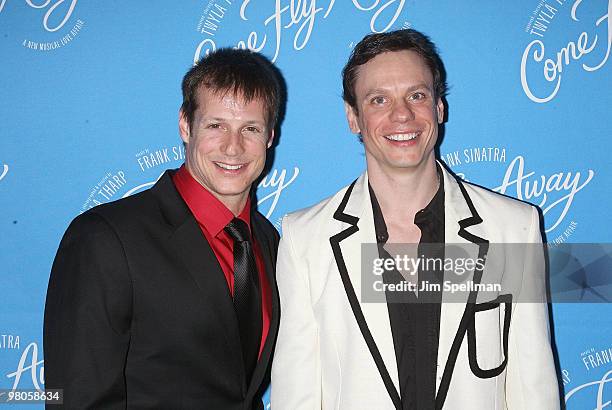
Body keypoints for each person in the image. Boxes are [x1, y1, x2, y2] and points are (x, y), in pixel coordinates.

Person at [270, 29, 560, 409]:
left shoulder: (513, 227)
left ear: (439, 108)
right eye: (378, 100)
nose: (401, 114)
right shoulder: (304, 238)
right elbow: (297, 396)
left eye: (416, 95)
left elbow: (533, 389)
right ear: (353, 117)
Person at [44, 48, 282, 409]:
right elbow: (76, 400)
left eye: (250, 128)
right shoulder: (105, 238)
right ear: (185, 125)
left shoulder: (266, 240)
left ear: (269, 137)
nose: (233, 147)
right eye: (216, 125)